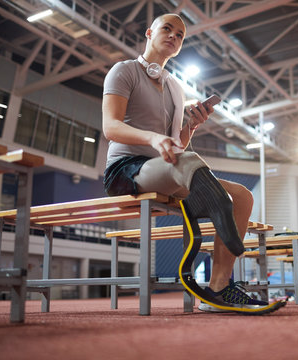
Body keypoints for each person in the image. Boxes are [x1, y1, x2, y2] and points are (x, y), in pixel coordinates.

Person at [102, 13, 267, 312]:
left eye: (180, 35)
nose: (174, 36)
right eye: (167, 29)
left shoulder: (175, 88)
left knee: (242, 195)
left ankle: (219, 288)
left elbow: (176, 146)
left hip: (167, 168)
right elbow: (110, 126)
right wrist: (153, 139)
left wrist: (191, 126)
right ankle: (210, 217)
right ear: (150, 32)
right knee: (191, 164)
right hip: (126, 168)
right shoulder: (123, 71)